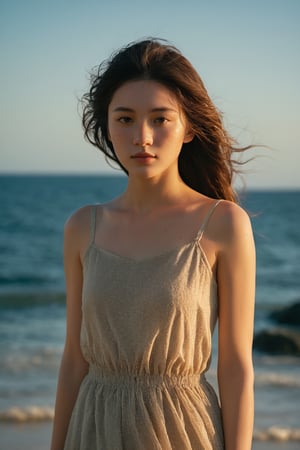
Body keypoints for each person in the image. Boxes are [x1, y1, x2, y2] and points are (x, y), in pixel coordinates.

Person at [51, 38, 255, 450]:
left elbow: (235, 368)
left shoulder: (223, 224)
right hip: (92, 429)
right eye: (125, 119)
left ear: (189, 128)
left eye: (160, 119)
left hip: (182, 431)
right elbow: (75, 361)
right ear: (106, 125)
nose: (142, 136)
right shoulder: (82, 227)